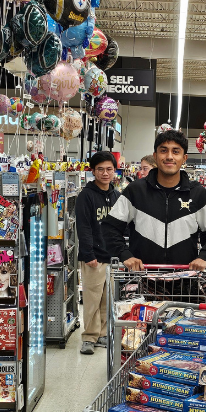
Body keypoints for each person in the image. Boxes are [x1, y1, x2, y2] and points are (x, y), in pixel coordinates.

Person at [103, 129, 206, 272]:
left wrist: (205, 255)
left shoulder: (197, 194)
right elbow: (109, 228)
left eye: (175, 151)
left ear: (184, 158)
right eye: (163, 150)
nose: (169, 156)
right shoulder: (135, 191)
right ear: (155, 156)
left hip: (184, 285)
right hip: (141, 280)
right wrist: (125, 254)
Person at [75, 151, 122, 356]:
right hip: (93, 256)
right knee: (92, 298)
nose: (105, 173)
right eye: (100, 169)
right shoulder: (86, 196)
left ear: (114, 171)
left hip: (113, 256)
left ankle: (103, 333)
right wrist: (88, 253)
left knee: (108, 298)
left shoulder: (118, 196)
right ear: (93, 171)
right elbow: (83, 227)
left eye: (109, 169)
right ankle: (89, 337)